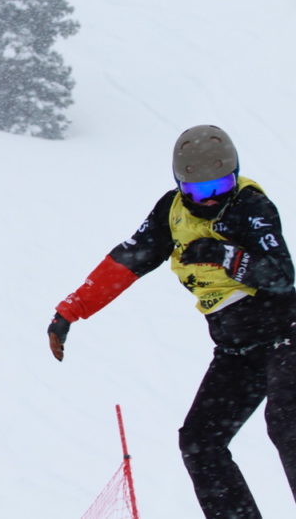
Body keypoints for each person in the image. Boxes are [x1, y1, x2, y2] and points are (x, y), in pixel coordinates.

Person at [46, 124, 296, 518]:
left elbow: (281, 275)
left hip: (287, 336)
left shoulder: (251, 206)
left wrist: (227, 256)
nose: (211, 200)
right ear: (180, 185)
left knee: (286, 423)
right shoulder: (171, 213)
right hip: (237, 350)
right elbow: (127, 260)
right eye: (199, 191)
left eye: (220, 186)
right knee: (200, 441)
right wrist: (69, 311)